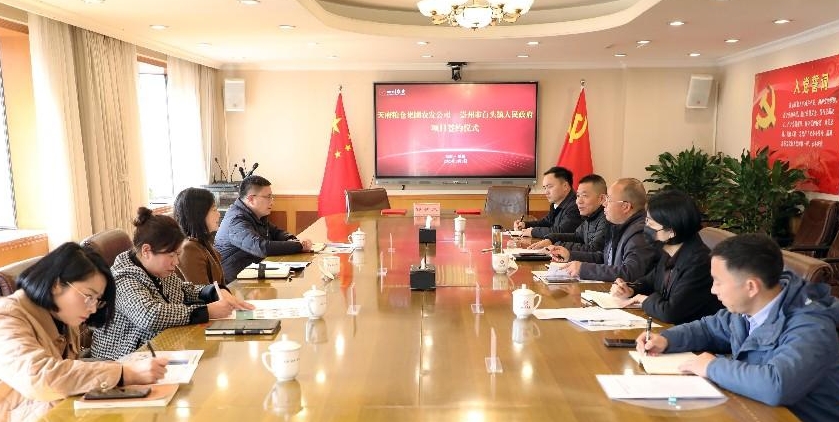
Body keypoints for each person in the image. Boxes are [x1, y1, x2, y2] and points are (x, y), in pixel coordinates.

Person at [637, 234, 839, 422]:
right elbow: (708, 328)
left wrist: (712, 367)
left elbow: (777, 386)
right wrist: (667, 339)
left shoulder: (812, 327)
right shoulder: (748, 307)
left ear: (751, 287)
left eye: (718, 282)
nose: (713, 290)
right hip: (752, 409)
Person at [0, 243, 167, 421]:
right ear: (56, 284)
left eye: (97, 300)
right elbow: (38, 377)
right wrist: (122, 373)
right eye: (88, 296)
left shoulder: (62, 316)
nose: (93, 308)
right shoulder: (6, 316)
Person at [91, 207, 252, 360]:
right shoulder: (122, 278)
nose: (176, 262)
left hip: (159, 347)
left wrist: (215, 292)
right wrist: (207, 311)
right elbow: (150, 316)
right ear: (146, 251)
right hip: (123, 358)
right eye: (171, 255)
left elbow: (184, 289)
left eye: (178, 254)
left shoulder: (156, 268)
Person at [610, 190, 722, 323]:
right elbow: (650, 281)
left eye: (651, 223)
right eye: (646, 220)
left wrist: (643, 299)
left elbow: (671, 312)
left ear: (671, 231)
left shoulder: (699, 263)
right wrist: (630, 289)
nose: (645, 227)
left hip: (690, 331)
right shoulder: (669, 249)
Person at [552, 178, 657, 282]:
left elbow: (630, 272)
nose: (604, 204)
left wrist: (583, 269)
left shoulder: (640, 233)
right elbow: (606, 259)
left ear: (625, 207)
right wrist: (570, 255)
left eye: (609, 200)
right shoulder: (620, 225)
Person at [215, 176, 313, 282]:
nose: (272, 202)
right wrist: (298, 246)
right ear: (251, 199)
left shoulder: (256, 214)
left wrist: (290, 239)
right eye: (268, 197)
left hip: (253, 275)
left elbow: (276, 232)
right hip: (234, 283)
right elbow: (261, 248)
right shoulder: (236, 220)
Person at [528, 174, 609, 254]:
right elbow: (577, 236)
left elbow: (594, 249)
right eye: (578, 196)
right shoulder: (590, 216)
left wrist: (556, 246)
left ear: (602, 199)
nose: (579, 201)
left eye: (585, 196)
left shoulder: (606, 219)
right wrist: (551, 239)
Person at [173, 187, 224, 286]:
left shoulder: (201, 242)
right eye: (214, 210)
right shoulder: (189, 249)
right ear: (198, 215)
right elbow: (202, 291)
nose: (218, 214)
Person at [513, 167, 581, 238]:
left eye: (549, 187)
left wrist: (533, 232)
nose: (546, 192)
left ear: (565, 186)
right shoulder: (555, 204)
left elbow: (562, 231)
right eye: (545, 188)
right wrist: (525, 225)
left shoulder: (576, 206)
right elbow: (547, 222)